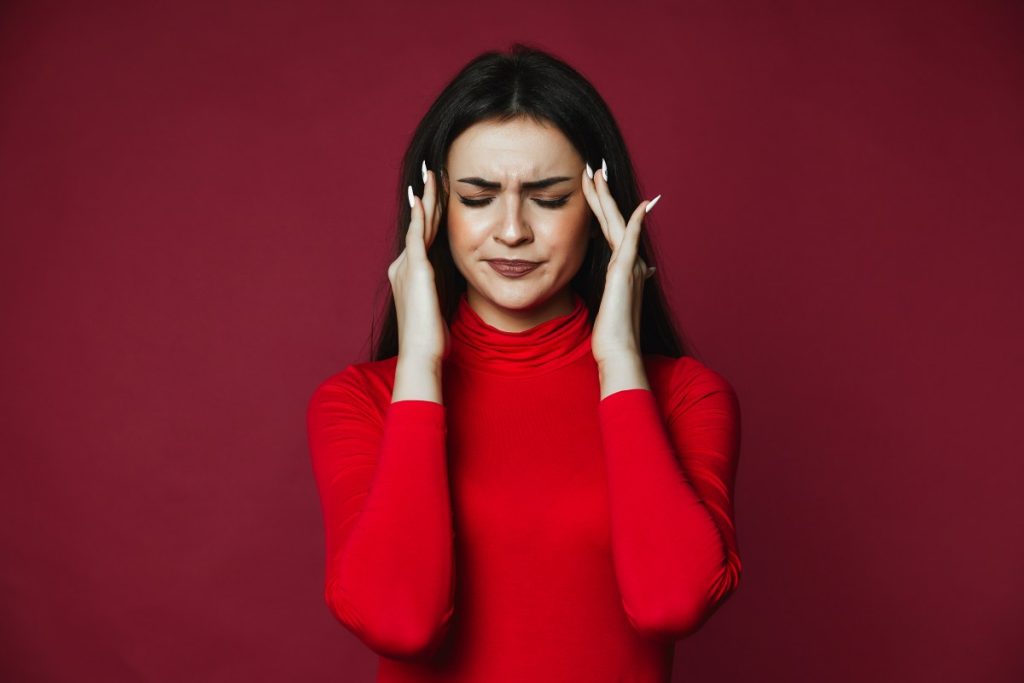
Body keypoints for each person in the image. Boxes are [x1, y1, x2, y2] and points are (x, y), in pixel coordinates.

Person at [306, 43, 743, 683]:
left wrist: (618, 357)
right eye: (479, 197)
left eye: (548, 197)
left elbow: (670, 604)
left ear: (599, 211)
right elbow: (400, 621)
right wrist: (422, 366)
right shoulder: (361, 403)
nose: (512, 230)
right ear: (433, 210)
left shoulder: (686, 397)